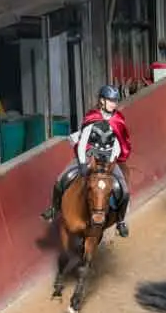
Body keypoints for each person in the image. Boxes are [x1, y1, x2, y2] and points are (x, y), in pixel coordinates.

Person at [40, 85, 132, 237]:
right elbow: (82, 142)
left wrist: (111, 161)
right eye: (110, 101)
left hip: (108, 161)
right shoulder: (92, 118)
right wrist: (82, 163)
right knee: (61, 179)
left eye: (115, 101)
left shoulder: (118, 120)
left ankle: (121, 221)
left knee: (124, 190)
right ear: (102, 101)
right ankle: (54, 209)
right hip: (89, 155)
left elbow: (118, 144)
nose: (114, 104)